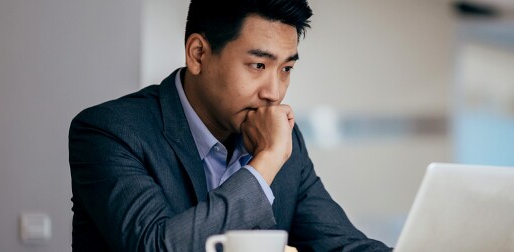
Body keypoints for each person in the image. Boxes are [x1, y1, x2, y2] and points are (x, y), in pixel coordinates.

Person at [68, 0, 391, 251]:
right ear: (198, 54)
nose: (274, 92)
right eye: (258, 65)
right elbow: (156, 245)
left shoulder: (284, 141)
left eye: (286, 69)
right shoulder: (109, 132)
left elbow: (341, 244)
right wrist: (264, 165)